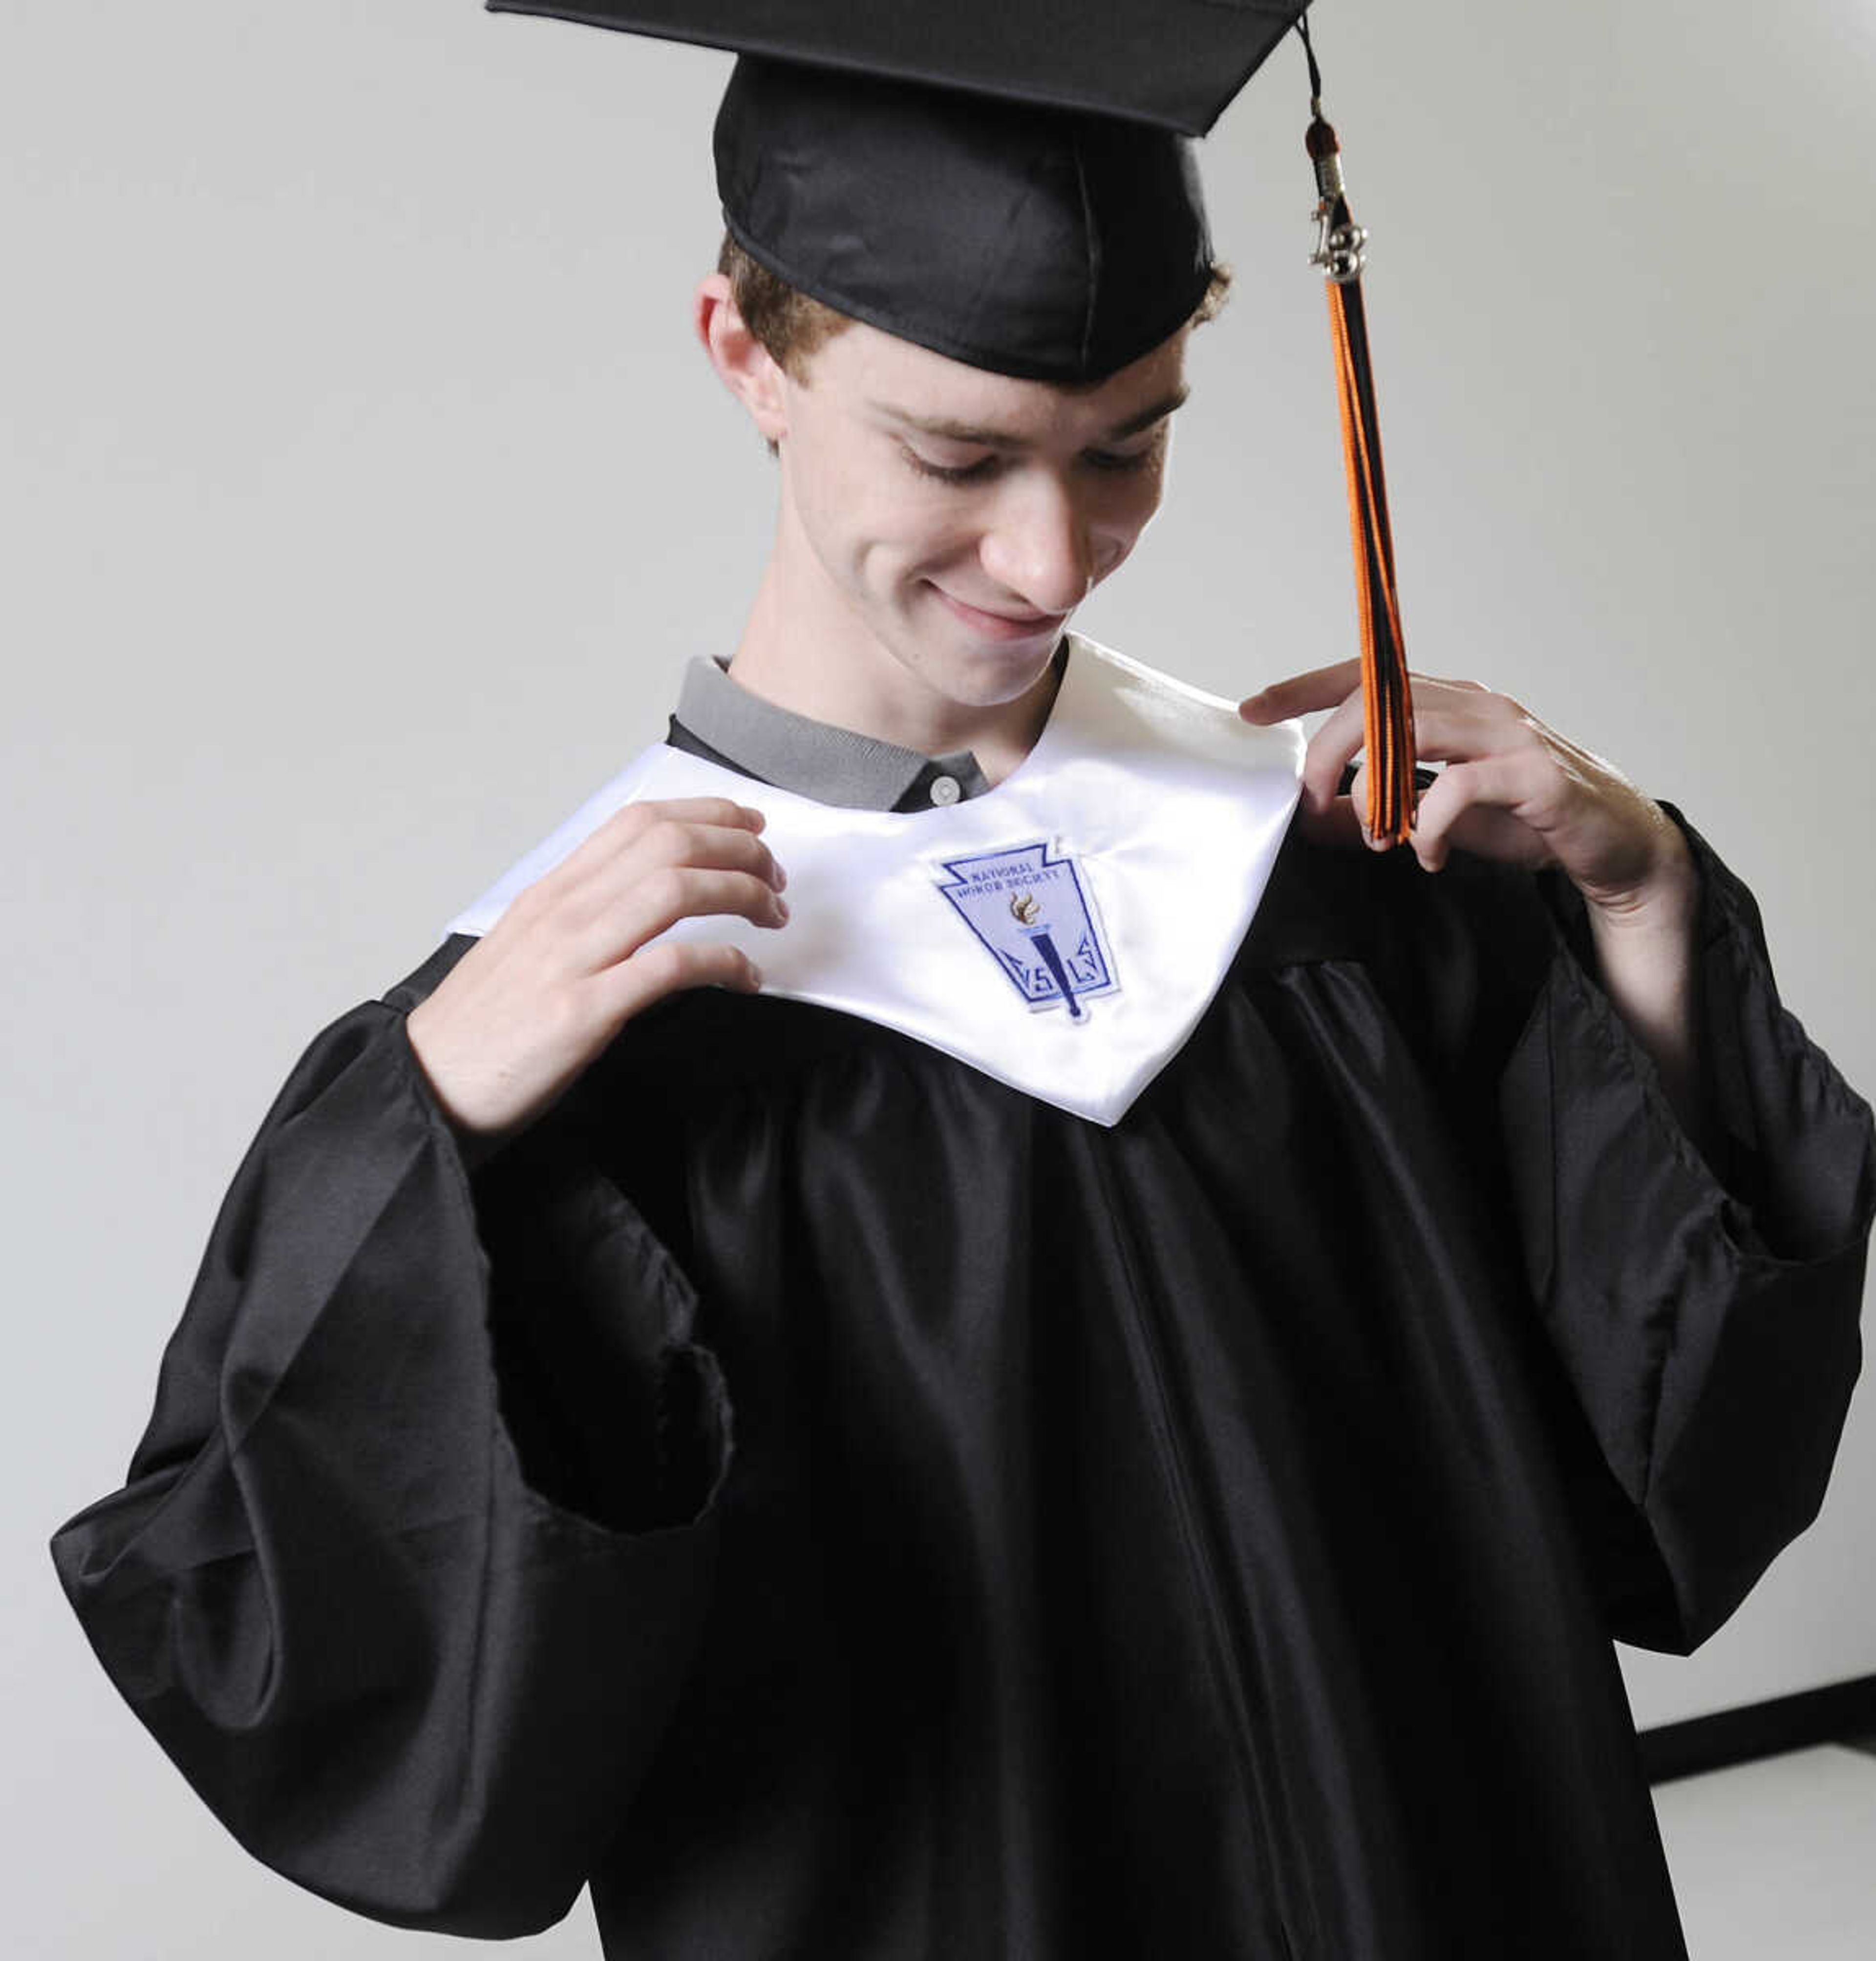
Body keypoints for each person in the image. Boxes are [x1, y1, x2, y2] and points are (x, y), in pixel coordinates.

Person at [50, 43, 1873, 1961]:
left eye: (1126, 442)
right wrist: (426, 1130)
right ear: (744, 351)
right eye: (957, 452)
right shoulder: (580, 1040)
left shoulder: (1319, 883)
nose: (1053, 552)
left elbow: (1666, 1473)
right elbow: (336, 1691)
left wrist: (1640, 891)